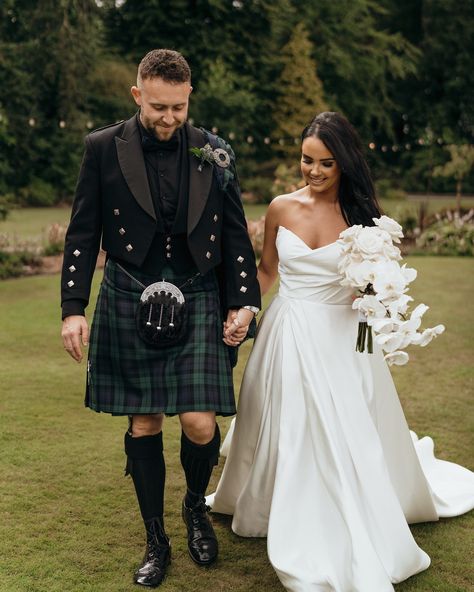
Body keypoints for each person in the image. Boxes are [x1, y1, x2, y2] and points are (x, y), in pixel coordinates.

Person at [208, 112, 474, 591]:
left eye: (326, 163)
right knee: (287, 421)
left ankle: (334, 515)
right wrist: (245, 309)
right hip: (287, 332)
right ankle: (277, 502)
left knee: (338, 427)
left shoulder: (365, 220)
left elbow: (379, 285)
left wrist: (374, 294)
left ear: (345, 163)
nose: (313, 171)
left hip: (342, 338)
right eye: (307, 160)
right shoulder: (280, 208)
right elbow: (266, 271)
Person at [60, 49, 260, 588]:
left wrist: (243, 301)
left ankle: (195, 507)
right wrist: (73, 309)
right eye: (157, 107)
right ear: (137, 95)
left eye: (177, 107)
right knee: (144, 421)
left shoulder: (213, 151)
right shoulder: (103, 148)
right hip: (129, 291)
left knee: (199, 422)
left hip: (197, 296)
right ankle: (155, 537)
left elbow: (237, 235)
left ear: (188, 96)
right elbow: (83, 233)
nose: (168, 118)